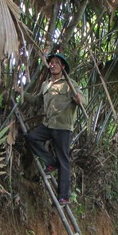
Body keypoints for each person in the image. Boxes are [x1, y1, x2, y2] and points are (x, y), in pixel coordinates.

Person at [24, 52, 86, 206]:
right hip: (48, 124)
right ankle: (51, 162)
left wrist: (79, 99)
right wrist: (21, 93)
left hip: (63, 126)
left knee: (64, 160)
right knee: (31, 137)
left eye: (56, 63)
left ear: (62, 66)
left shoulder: (69, 84)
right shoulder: (47, 84)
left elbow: (81, 98)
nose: (53, 65)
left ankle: (64, 196)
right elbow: (37, 99)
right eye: (51, 62)